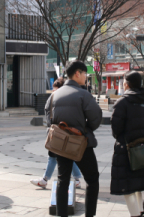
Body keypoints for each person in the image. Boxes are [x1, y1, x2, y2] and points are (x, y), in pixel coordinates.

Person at [48, 60, 102, 217]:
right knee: (92, 180)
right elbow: (96, 118)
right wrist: (86, 129)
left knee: (62, 180)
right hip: (81, 144)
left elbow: (48, 121)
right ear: (77, 73)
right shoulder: (84, 94)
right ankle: (89, 215)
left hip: (60, 145)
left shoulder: (53, 97)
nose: (86, 77)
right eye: (85, 73)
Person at [111, 71, 144, 217]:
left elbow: (116, 129)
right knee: (137, 184)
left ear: (127, 84)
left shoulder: (122, 102)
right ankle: (139, 211)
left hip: (127, 149)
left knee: (127, 186)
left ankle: (135, 214)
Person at [30, 77, 83, 188]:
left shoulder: (57, 99)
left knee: (57, 155)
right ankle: (77, 178)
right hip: (59, 131)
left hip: (59, 132)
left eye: (55, 90)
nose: (53, 92)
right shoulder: (63, 98)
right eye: (53, 90)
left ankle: (45, 180)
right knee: (62, 155)